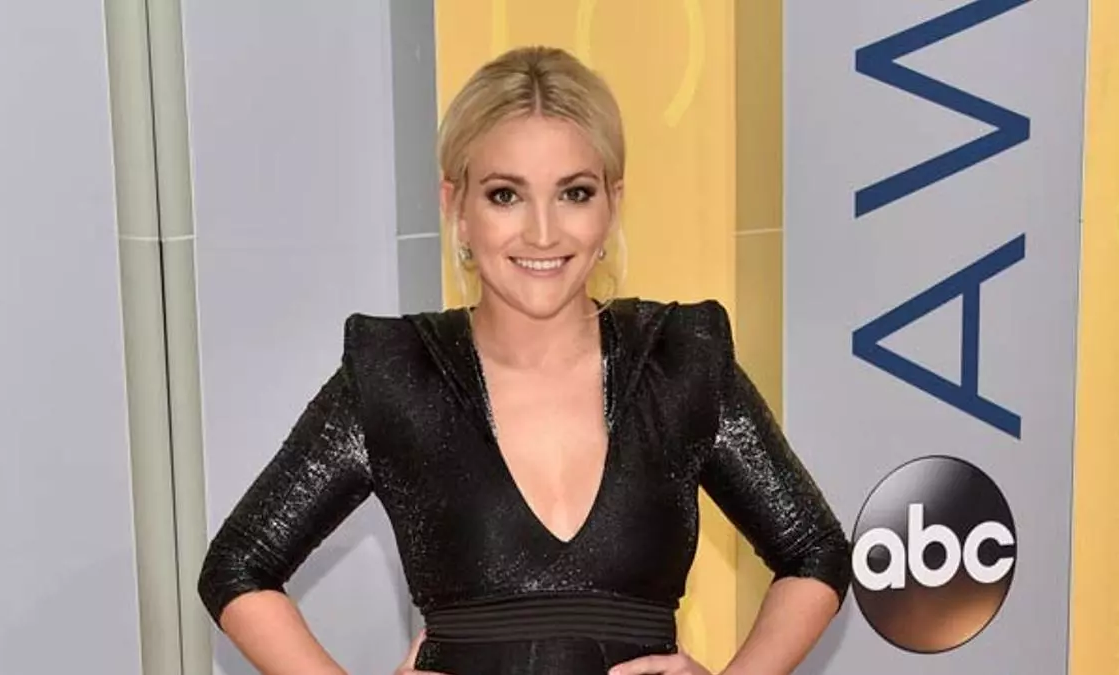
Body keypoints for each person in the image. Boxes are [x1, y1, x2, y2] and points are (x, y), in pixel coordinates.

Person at [197, 45, 851, 675]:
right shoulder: (397, 375)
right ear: (455, 207)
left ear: (613, 203)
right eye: (505, 195)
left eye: (575, 193)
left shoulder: (679, 361)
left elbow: (814, 551)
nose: (542, 232)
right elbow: (237, 567)